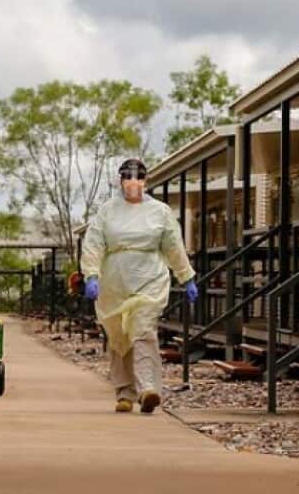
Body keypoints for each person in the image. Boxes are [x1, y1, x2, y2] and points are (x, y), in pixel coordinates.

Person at [81, 158, 198, 414]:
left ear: (145, 181)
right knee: (119, 336)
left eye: (138, 178)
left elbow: (173, 245)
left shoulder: (160, 212)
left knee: (143, 330)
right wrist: (91, 274)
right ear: (121, 181)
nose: (133, 184)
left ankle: (147, 389)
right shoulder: (107, 211)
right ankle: (124, 392)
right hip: (114, 284)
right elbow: (93, 243)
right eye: (128, 178)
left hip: (149, 280)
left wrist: (186, 276)